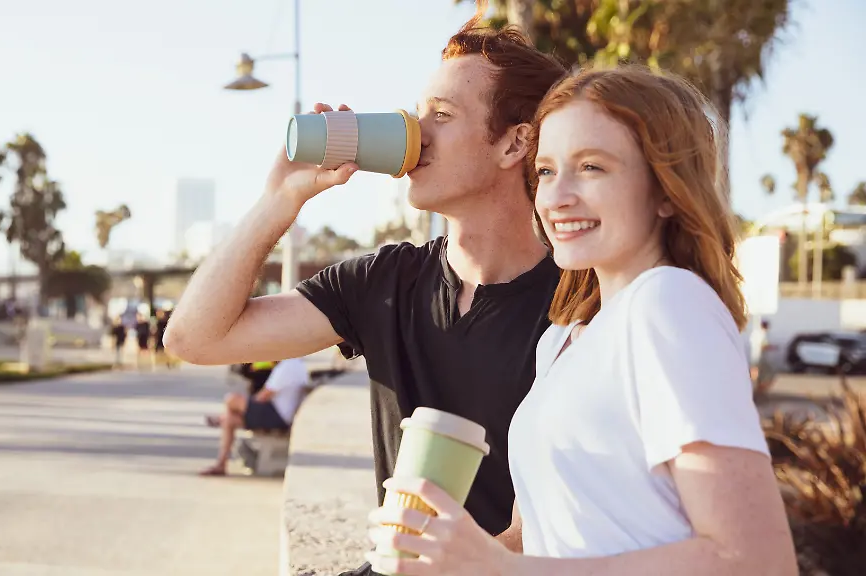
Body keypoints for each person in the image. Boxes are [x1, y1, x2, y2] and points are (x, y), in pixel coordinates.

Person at [162, 3, 567, 570]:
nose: (416, 132)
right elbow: (194, 338)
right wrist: (281, 199)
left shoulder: (580, 302)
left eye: (443, 115)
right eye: (418, 112)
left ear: (514, 144)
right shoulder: (383, 281)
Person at [364, 65, 798, 575]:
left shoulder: (667, 303)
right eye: (545, 170)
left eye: (592, 167)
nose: (556, 196)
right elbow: (540, 540)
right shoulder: (561, 342)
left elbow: (755, 560)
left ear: (665, 191)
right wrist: (453, 556)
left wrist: (497, 567)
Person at [200, 357, 308, 476]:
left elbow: (264, 396)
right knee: (229, 420)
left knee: (232, 400)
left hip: (277, 416)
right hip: (280, 415)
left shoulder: (288, 366)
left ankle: (219, 419)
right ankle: (221, 464)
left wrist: (247, 406)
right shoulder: (295, 364)